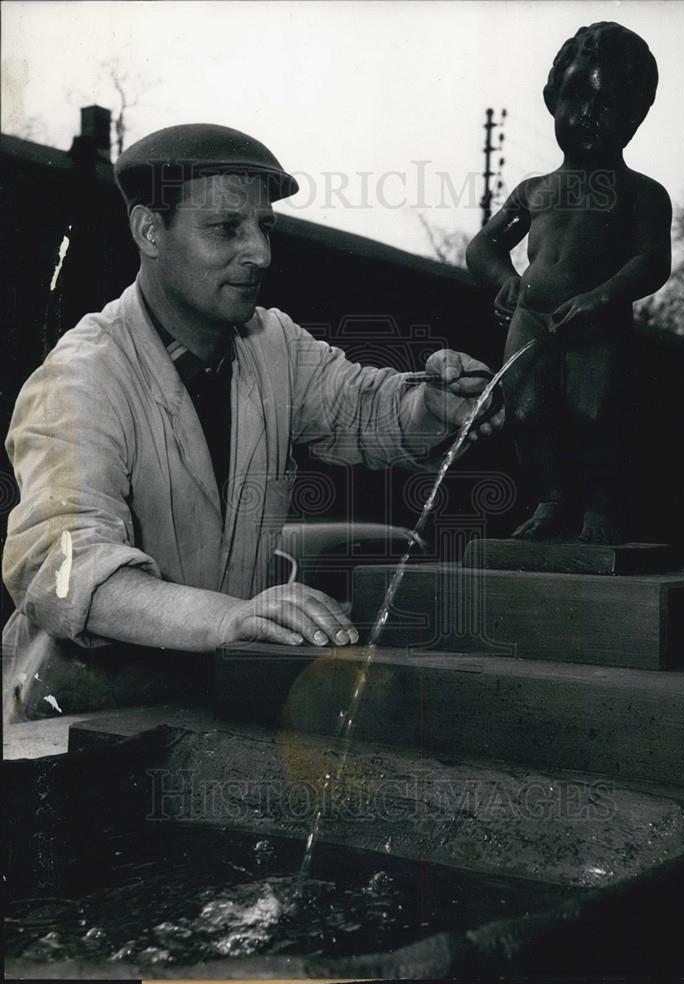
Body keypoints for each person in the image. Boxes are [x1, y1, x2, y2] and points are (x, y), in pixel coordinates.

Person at [3, 123, 496, 721]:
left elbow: (365, 409)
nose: (259, 252)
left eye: (264, 226)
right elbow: (64, 568)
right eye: (225, 229)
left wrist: (431, 406)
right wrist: (229, 617)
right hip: (74, 712)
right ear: (150, 231)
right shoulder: (81, 377)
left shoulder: (272, 342)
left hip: (208, 696)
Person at [466, 22, 672, 544]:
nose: (587, 114)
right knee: (529, 413)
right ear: (551, 97)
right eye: (576, 95)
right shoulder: (534, 190)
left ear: (634, 115)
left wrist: (602, 298)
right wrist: (505, 282)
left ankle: (600, 506)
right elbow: (482, 247)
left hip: (597, 322)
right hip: (531, 319)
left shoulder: (641, 194)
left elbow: (652, 262)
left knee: (594, 413)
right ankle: (550, 501)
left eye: (606, 103)